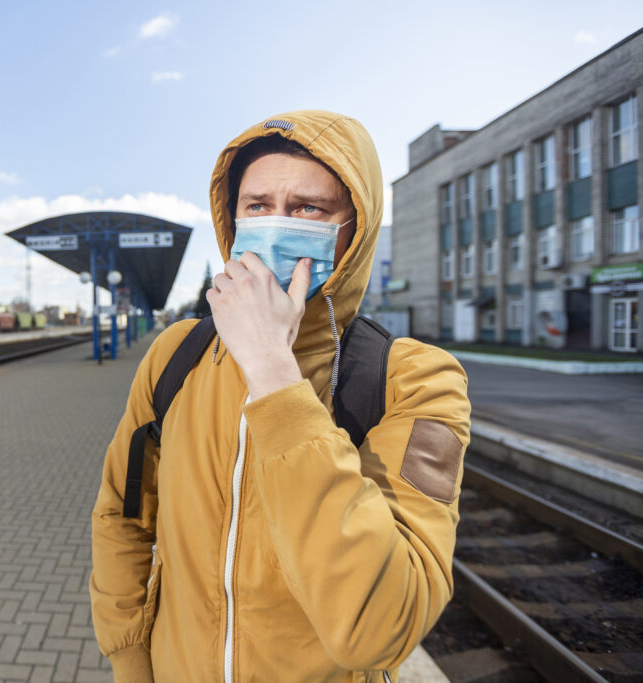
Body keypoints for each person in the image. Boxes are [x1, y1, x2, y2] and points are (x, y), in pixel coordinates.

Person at [90, 110, 471, 682]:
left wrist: (273, 372)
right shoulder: (176, 354)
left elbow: (382, 625)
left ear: (356, 229)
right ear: (232, 216)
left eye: (307, 209)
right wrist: (130, 658)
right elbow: (122, 516)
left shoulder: (415, 380)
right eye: (257, 205)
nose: (274, 224)